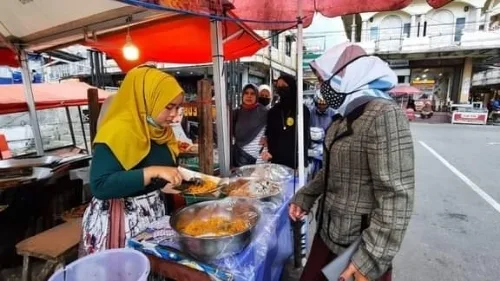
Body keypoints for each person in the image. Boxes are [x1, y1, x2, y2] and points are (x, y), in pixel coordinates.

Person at [289, 42, 414, 281]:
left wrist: (370, 260)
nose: (321, 88)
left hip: (358, 248)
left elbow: (396, 197)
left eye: (324, 80)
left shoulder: (384, 114)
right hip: (329, 234)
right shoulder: (342, 118)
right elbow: (330, 172)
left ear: (346, 76)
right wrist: (304, 197)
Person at [80, 66, 185, 255]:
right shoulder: (116, 131)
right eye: (168, 107)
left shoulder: (161, 131)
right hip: (119, 223)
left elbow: (159, 172)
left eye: (177, 107)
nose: (174, 114)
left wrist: (169, 181)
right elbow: (100, 185)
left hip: (153, 218)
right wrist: (153, 172)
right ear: (147, 100)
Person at [262, 74, 310, 169]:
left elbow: (306, 137)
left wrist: (303, 161)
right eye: (278, 87)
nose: (281, 89)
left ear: (292, 87)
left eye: (284, 86)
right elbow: (269, 135)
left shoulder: (301, 110)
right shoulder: (273, 111)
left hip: (296, 162)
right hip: (276, 162)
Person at [232, 84, 268, 167]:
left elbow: (270, 131)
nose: (249, 96)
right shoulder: (236, 112)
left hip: (259, 158)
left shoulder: (264, 112)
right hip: (239, 155)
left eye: (252, 94)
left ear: (256, 96)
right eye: (246, 93)